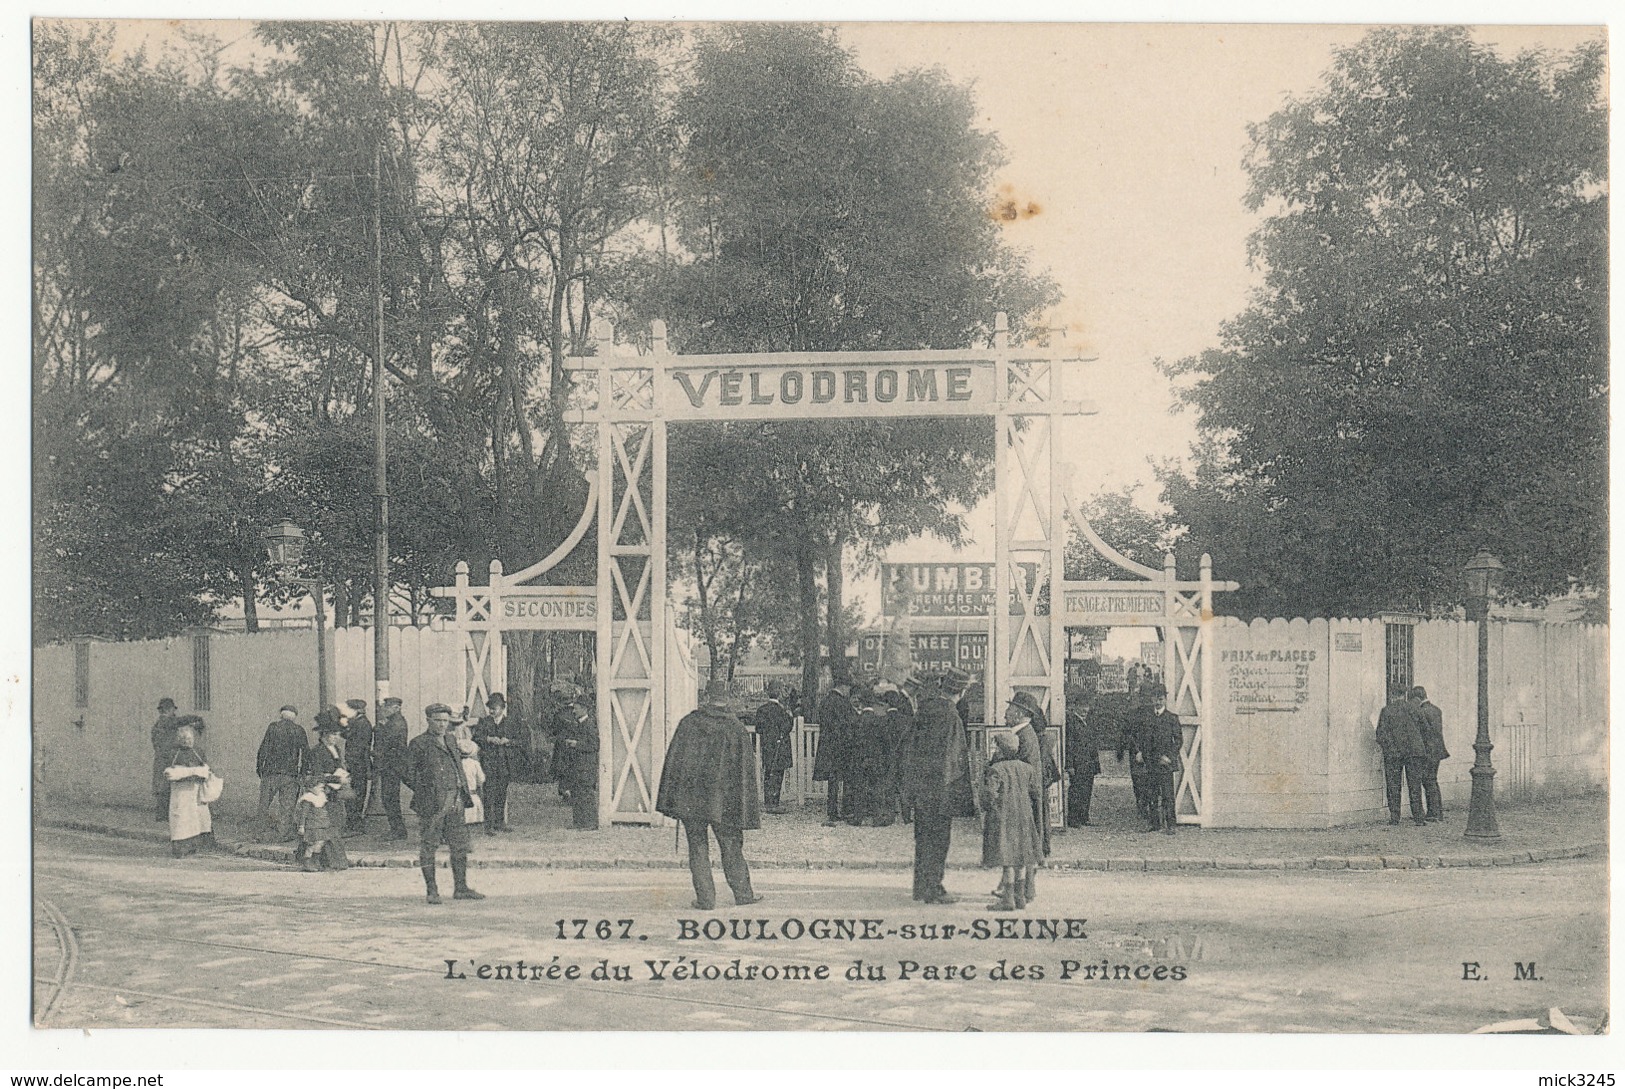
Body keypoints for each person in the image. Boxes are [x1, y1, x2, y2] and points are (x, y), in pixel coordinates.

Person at [655, 681, 765, 911]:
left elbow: (674, 763)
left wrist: (676, 798)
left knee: (697, 846)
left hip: (691, 801)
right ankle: (743, 894)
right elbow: (744, 773)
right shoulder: (735, 727)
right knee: (732, 846)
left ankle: (706, 899)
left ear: (706, 696)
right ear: (728, 697)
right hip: (723, 803)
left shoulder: (689, 723)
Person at [900, 667, 978, 905]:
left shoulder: (923, 710)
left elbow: (907, 749)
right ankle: (934, 887)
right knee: (939, 839)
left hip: (920, 788)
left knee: (923, 838)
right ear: (961, 691)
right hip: (940, 789)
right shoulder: (951, 717)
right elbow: (953, 759)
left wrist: (909, 788)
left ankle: (921, 887)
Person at [406, 703, 484, 904]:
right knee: (429, 846)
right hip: (432, 806)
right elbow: (407, 773)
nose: (441, 725)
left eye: (445, 721)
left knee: (459, 846)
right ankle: (432, 891)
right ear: (428, 721)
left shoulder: (451, 740)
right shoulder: (419, 743)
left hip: (455, 801)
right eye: (437, 720)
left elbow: (458, 768)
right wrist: (427, 793)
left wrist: (462, 793)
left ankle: (461, 888)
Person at [983, 730, 1043, 911]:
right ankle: (1020, 897)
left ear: (1000, 750)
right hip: (1024, 819)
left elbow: (989, 795)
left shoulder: (996, 769)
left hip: (1004, 818)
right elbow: (1036, 792)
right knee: (1022, 858)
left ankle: (1008, 899)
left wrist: (989, 809)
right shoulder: (1027, 768)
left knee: (1008, 859)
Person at [1006, 692, 1057, 858]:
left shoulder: (1024, 735)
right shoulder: (1025, 733)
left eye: (1009, 709)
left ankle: (1034, 853)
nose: (1005, 713)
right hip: (1030, 786)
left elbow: (1024, 766)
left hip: (1027, 788)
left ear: (1019, 713)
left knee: (1032, 820)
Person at [1376, 686, 1427, 826]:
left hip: (1394, 754)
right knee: (1415, 785)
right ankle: (1419, 817)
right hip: (1414, 753)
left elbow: (1380, 735)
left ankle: (1394, 817)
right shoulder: (1414, 708)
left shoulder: (1386, 711)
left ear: (1392, 694)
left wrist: (1390, 748)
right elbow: (1425, 729)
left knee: (1393, 785)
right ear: (1404, 695)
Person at [256, 704, 308, 841]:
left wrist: (259, 768)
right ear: (294, 717)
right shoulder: (299, 730)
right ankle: (282, 834)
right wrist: (302, 773)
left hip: (270, 773)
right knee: (287, 807)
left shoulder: (273, 727)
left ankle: (260, 832)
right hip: (290, 775)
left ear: (281, 715)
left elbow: (263, 749)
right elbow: (306, 753)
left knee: (264, 804)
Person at [163, 720, 214, 858]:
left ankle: (192, 846)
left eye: (189, 739)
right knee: (180, 820)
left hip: (193, 791)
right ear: (179, 739)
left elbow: (206, 769)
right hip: (179, 792)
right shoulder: (173, 753)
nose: (187, 741)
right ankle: (180, 848)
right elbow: (168, 771)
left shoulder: (198, 752)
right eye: (184, 739)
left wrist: (198, 773)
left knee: (194, 819)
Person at [813, 675, 858, 827]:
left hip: (827, 746)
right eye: (848, 689)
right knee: (847, 778)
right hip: (842, 746)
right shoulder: (842, 703)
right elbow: (851, 722)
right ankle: (846, 810)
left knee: (832, 781)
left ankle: (832, 811)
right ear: (843, 687)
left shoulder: (825, 701)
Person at [472, 693, 520, 834]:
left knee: (501, 794)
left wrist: (508, 741)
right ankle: (489, 825)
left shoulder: (511, 722)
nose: (492, 711)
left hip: (505, 763)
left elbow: (520, 741)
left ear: (502, 708)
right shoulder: (484, 722)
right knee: (489, 794)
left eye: (495, 708)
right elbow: (476, 737)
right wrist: (488, 739)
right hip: (489, 762)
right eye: (490, 708)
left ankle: (500, 822)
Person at [554, 691, 600, 829]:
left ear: (584, 709)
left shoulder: (589, 724)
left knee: (586, 794)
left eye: (576, 708)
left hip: (586, 765)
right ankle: (579, 822)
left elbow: (594, 745)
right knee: (577, 793)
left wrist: (576, 744)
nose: (574, 710)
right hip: (577, 765)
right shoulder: (578, 724)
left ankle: (590, 823)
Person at [752, 683, 796, 814]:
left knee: (768, 773)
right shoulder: (782, 710)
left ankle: (768, 803)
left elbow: (758, 729)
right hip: (780, 747)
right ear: (778, 694)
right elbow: (787, 728)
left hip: (767, 746)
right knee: (778, 775)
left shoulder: (762, 710)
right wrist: (790, 716)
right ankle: (774, 803)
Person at [1064, 684, 1102, 827]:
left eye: (1087, 706)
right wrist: (1069, 765)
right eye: (1082, 706)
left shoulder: (1088, 721)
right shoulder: (1071, 722)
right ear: (1075, 706)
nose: (1085, 709)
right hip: (1078, 763)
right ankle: (1073, 819)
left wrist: (1095, 762)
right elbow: (1069, 745)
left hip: (1089, 763)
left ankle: (1084, 816)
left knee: (1087, 790)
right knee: (1076, 790)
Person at [1411, 686, 1450, 822]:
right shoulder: (1436, 709)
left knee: (1428, 781)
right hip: (1438, 750)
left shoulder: (1422, 711)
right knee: (1432, 779)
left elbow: (1424, 733)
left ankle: (1433, 812)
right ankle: (1437, 811)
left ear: (1417, 698)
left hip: (1428, 751)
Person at [374, 696, 411, 840]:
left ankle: (398, 831)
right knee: (390, 798)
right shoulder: (394, 722)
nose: (384, 710)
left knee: (389, 798)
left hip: (393, 766)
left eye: (387, 707)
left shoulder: (395, 723)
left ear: (396, 708)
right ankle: (398, 830)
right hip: (393, 765)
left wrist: (380, 728)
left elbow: (386, 744)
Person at [292, 773, 341, 872]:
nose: (321, 789)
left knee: (320, 843)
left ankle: (316, 861)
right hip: (312, 826)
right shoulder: (308, 798)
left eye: (322, 788)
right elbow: (303, 814)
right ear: (311, 787)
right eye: (319, 787)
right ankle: (307, 862)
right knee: (312, 844)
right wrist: (301, 826)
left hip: (321, 824)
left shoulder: (321, 795)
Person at [340, 698, 375, 836]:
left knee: (356, 795)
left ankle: (355, 826)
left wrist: (349, 762)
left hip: (358, 764)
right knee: (354, 794)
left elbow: (359, 746)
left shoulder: (362, 724)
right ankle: (353, 824)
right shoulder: (358, 723)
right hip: (356, 763)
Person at [150, 698, 181, 822]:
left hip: (160, 758)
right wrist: (196, 719)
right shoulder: (166, 721)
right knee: (166, 787)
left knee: (162, 786)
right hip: (167, 759)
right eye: (173, 709)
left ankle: (162, 816)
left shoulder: (158, 724)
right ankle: (163, 817)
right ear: (168, 710)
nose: (174, 712)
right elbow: (181, 721)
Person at [458, 738, 486, 826]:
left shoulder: (457, 763)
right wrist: (477, 784)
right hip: (472, 795)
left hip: (459, 796)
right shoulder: (475, 763)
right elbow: (481, 779)